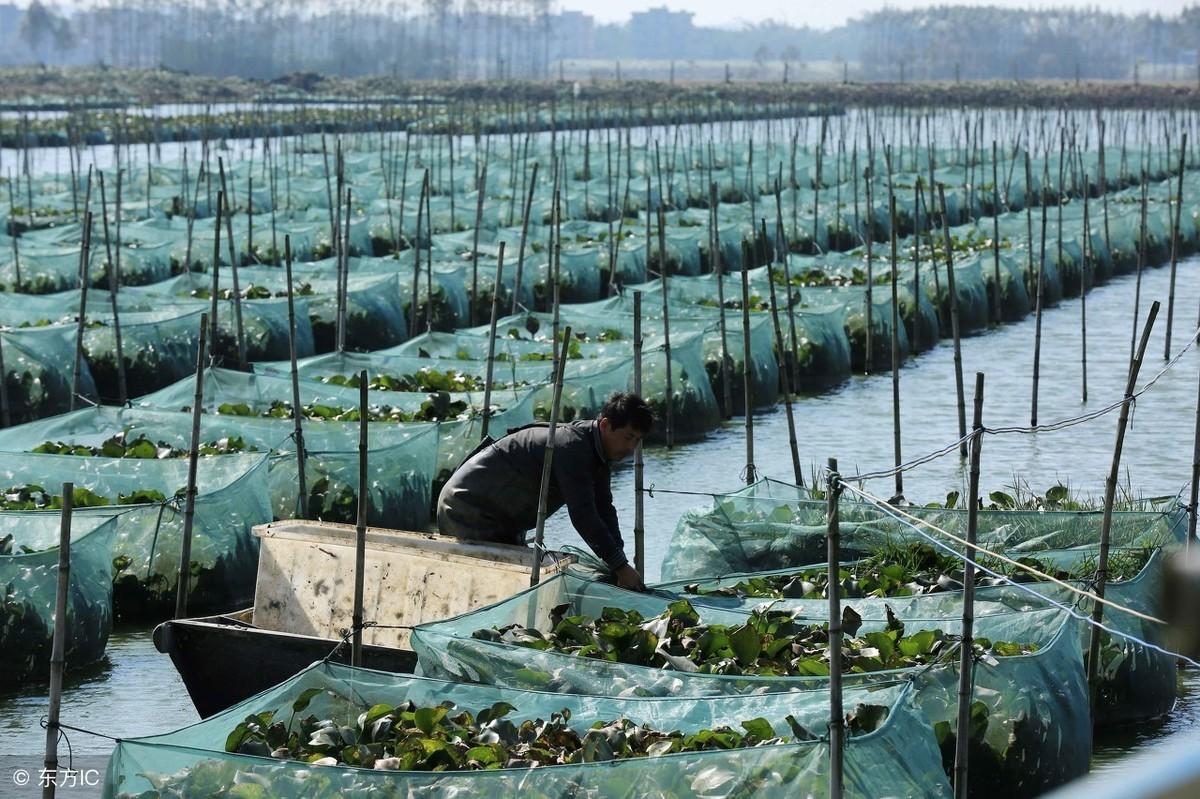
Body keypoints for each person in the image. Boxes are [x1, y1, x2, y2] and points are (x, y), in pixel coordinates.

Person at [437, 391, 652, 590]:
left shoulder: (597, 453)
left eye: (637, 440)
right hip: (466, 506)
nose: (631, 448)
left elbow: (604, 509)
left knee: (510, 586)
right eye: (628, 437)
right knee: (488, 586)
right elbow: (584, 515)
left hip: (499, 515)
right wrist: (621, 567)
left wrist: (620, 563)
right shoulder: (572, 447)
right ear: (605, 425)